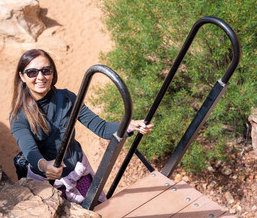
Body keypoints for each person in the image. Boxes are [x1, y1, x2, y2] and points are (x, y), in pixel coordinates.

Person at [9, 49, 154, 204]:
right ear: (22, 76)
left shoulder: (67, 99)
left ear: (53, 73)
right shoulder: (18, 117)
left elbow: (102, 128)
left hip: (79, 173)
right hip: (46, 185)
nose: (40, 77)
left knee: (98, 209)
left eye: (46, 70)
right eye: (32, 72)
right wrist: (45, 166)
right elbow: (30, 151)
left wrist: (130, 125)